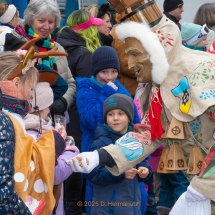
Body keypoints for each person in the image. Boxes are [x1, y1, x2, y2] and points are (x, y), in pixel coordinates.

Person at [68, 15, 215, 215]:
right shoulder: (155, 92)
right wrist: (99, 156)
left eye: (135, 55)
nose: (129, 64)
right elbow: (146, 136)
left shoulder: (206, 73)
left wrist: (205, 185)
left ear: (157, 52)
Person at [76, 45, 140, 214]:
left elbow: (134, 118)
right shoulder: (85, 89)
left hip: (124, 148)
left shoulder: (121, 88)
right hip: (97, 148)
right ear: (96, 70)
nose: (110, 77)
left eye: (113, 71)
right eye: (104, 72)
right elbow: (90, 119)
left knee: (126, 194)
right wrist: (106, 92)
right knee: (99, 193)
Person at [0, 45, 63, 214]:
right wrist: (56, 141)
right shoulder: (7, 119)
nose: (31, 95)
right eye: (31, 88)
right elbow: (24, 166)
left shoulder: (11, 115)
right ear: (16, 83)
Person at [56, 10, 102, 215]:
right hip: (77, 118)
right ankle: (74, 207)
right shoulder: (84, 54)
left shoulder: (56, 46)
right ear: (88, 30)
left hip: (59, 113)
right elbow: (87, 95)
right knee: (77, 158)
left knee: (62, 156)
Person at [4, 0, 76, 119]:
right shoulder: (17, 45)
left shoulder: (58, 49)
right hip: (25, 118)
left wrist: (63, 102)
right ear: (30, 20)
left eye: (51, 22)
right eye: (41, 21)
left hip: (54, 119)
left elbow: (70, 83)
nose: (46, 27)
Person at [86, 93, 151, 215]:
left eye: (120, 114)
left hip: (131, 207)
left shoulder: (136, 139)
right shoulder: (101, 142)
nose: (115, 118)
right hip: (106, 209)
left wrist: (144, 171)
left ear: (129, 117)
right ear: (105, 118)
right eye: (111, 114)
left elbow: (143, 161)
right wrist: (120, 173)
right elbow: (93, 173)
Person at [24, 79, 79, 215]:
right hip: (43, 206)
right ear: (41, 108)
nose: (50, 110)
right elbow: (54, 173)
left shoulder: (33, 127)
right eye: (48, 106)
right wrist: (70, 150)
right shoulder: (35, 134)